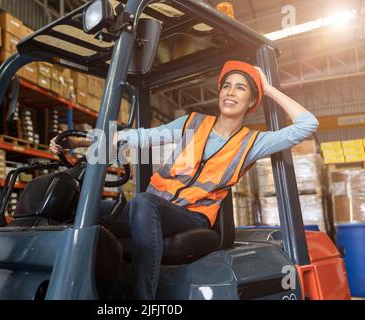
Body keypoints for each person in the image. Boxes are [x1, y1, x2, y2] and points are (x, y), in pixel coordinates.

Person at [49, 61, 319, 300]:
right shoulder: (192, 123)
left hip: (192, 216)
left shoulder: (252, 143)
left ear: (251, 101)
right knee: (84, 212)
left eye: (241, 88)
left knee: (143, 202)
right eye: (226, 86)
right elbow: (141, 136)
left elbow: (307, 125)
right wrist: (79, 141)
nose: (230, 92)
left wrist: (268, 88)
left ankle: (143, 299)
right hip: (158, 209)